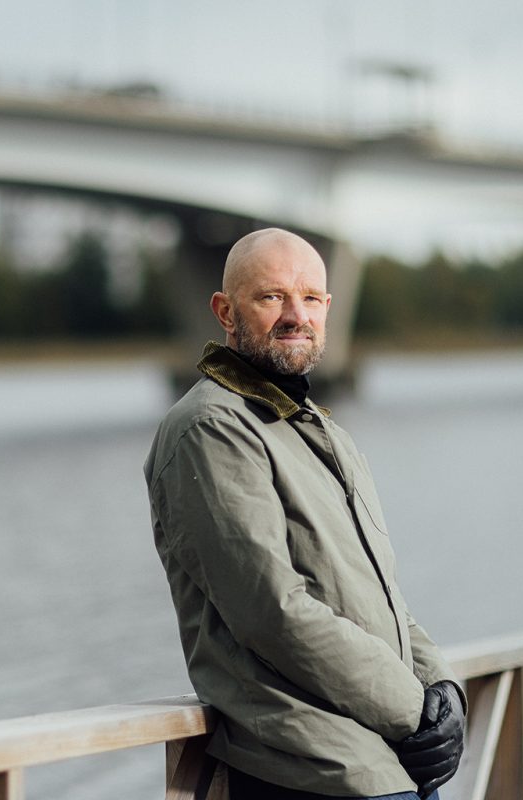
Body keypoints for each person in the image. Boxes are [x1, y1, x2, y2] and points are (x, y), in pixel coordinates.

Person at [143, 228, 465, 799]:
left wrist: (444, 690)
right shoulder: (212, 428)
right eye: (272, 297)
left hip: (393, 762)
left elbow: (384, 600)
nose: (296, 315)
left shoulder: (321, 430)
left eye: (310, 297)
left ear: (328, 308)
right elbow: (273, 611)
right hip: (315, 770)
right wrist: (415, 709)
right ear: (225, 311)